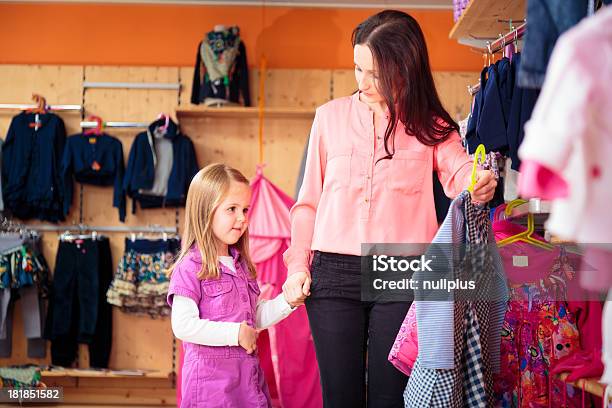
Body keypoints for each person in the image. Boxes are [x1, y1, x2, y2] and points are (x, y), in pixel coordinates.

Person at [282, 10, 498, 408]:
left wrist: (479, 181)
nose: (362, 83)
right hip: (331, 271)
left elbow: (461, 171)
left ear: (403, 69)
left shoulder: (432, 125)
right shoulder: (328, 119)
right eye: (357, 68)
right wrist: (298, 265)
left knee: (390, 399)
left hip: (399, 269)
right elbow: (307, 202)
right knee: (340, 399)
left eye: (373, 73)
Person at [167, 163, 301, 408]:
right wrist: (235, 333)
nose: (242, 218)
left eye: (245, 210)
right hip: (212, 392)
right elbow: (183, 326)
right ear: (205, 211)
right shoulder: (190, 267)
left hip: (248, 386)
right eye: (232, 209)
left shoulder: (241, 266)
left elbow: (254, 317)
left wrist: (287, 302)